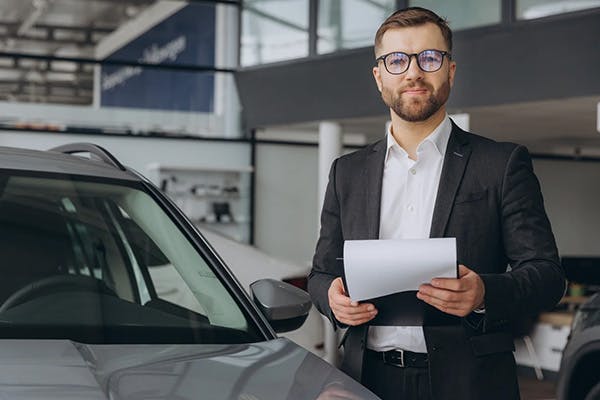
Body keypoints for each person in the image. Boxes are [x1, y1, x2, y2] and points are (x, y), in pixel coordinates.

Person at [308, 7, 566, 400]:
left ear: (450, 71)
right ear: (379, 77)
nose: (413, 72)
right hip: (366, 381)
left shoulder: (501, 163)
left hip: (471, 384)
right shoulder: (347, 171)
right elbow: (320, 274)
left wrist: (484, 294)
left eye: (429, 58)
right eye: (397, 60)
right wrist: (331, 299)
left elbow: (547, 275)